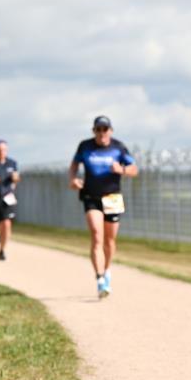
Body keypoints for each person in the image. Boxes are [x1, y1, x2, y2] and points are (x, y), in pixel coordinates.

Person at [68, 115, 137, 298]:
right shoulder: (85, 146)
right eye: (98, 129)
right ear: (93, 131)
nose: (101, 133)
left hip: (113, 197)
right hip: (91, 196)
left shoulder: (118, 147)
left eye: (104, 129)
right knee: (97, 235)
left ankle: (106, 270)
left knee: (110, 240)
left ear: (110, 131)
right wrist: (73, 179)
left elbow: (134, 169)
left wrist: (121, 169)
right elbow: (74, 165)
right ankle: (99, 279)